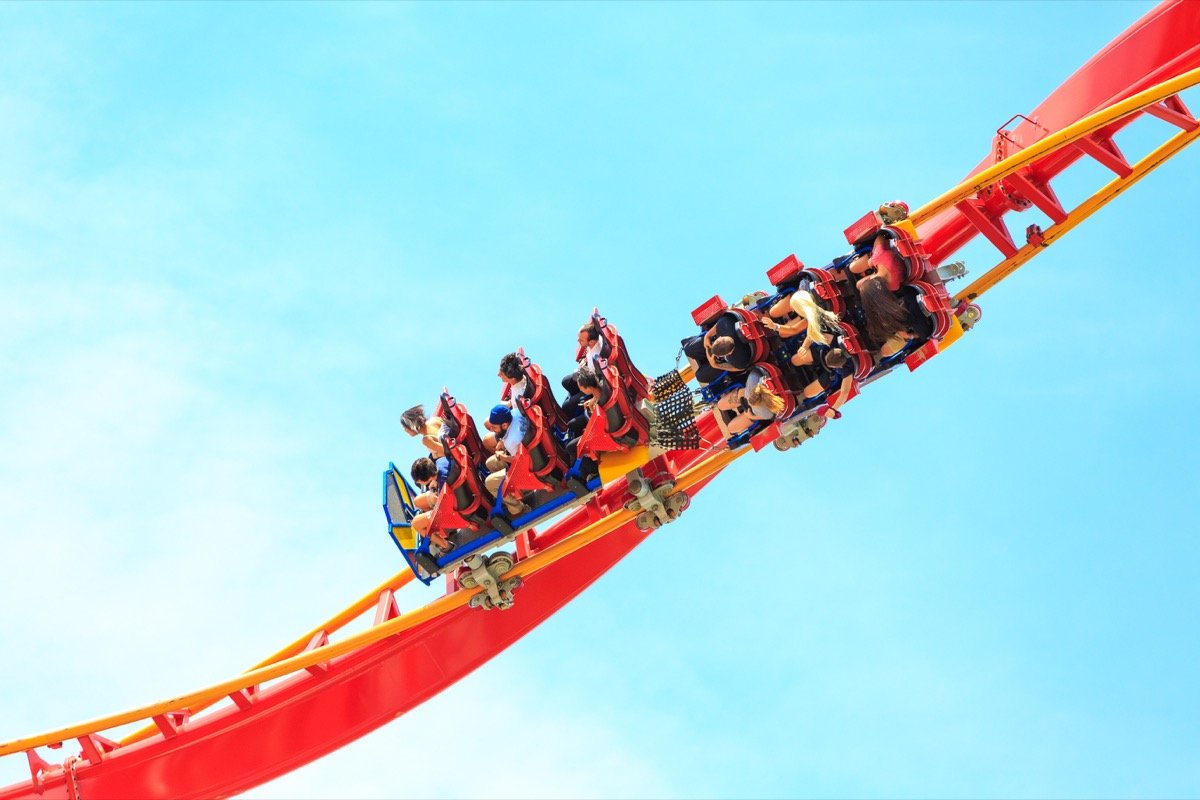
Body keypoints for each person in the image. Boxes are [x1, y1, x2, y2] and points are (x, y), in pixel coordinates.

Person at [483, 402, 533, 518]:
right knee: (490, 463)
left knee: (490, 483)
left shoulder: (512, 441)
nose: (493, 430)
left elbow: (523, 461)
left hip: (527, 467)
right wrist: (501, 440)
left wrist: (504, 457)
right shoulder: (515, 413)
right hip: (525, 450)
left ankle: (519, 509)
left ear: (504, 425)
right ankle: (508, 493)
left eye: (494, 428)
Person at [682, 311, 758, 385]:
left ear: (729, 353)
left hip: (741, 353)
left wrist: (717, 365)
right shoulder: (724, 324)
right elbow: (717, 325)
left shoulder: (737, 360)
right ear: (720, 337)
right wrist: (707, 337)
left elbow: (741, 369)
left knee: (700, 376)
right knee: (688, 350)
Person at [715, 375, 786, 435]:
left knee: (731, 429)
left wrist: (751, 416)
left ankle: (743, 397)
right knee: (720, 405)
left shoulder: (766, 412)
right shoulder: (753, 379)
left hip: (754, 405)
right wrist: (742, 394)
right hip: (746, 393)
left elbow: (767, 416)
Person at [410, 456, 451, 549]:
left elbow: (446, 506)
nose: (420, 484)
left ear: (428, 478)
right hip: (447, 494)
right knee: (418, 501)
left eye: (420, 482)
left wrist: (436, 500)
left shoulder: (444, 483)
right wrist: (435, 481)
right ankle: (436, 529)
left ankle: (446, 545)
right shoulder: (441, 462)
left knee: (416, 523)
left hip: (449, 509)